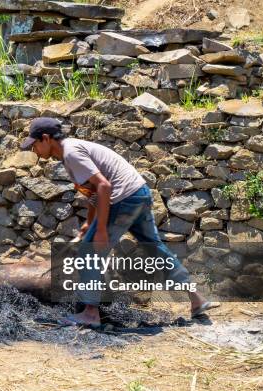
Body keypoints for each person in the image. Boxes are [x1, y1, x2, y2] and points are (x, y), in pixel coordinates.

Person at [21, 117, 220, 327]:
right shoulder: (71, 152)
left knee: (88, 252)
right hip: (138, 193)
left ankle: (90, 314)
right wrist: (90, 223)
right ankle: (197, 299)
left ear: (46, 138)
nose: (34, 150)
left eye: (34, 145)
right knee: (155, 248)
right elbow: (93, 191)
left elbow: (105, 187)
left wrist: (101, 232)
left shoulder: (71, 153)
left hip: (123, 199)